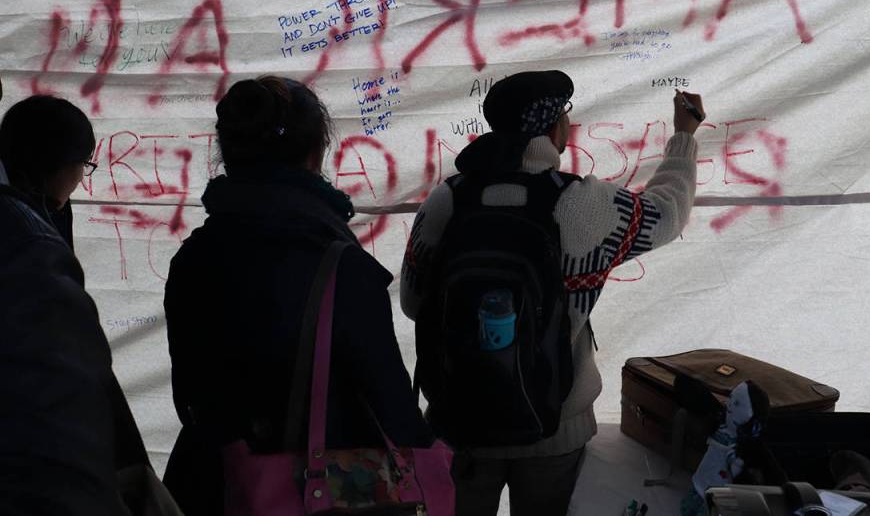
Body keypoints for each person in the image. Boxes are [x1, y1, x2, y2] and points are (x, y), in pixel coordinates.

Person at [401, 70, 703, 516]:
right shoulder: (583, 203)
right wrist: (683, 136)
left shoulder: (447, 199)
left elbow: (412, 302)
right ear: (553, 126)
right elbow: (669, 211)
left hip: (460, 419)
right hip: (555, 425)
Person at [163, 76, 432, 513]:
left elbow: (189, 393)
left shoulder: (193, 257)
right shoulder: (341, 266)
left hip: (214, 484)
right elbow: (391, 405)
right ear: (316, 154)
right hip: (324, 492)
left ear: (227, 155)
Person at [0, 95, 146, 516]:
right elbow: (59, 390)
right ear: (60, 162)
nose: (83, 178)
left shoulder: (35, 213)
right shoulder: (28, 240)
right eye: (84, 165)